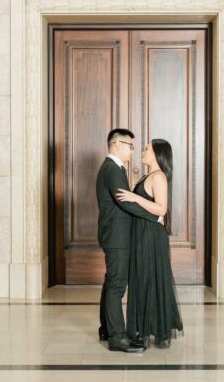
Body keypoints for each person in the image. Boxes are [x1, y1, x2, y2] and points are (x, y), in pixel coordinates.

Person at [115, 139, 184, 348]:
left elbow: (161, 209)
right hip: (142, 233)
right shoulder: (148, 176)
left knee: (151, 278)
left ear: (156, 154)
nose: (143, 151)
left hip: (151, 235)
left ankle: (158, 330)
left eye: (147, 148)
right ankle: (142, 328)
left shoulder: (159, 177)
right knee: (141, 278)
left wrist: (135, 198)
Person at [95, 128, 158, 353]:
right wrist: (155, 216)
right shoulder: (112, 169)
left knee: (112, 281)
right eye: (129, 145)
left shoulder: (113, 168)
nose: (132, 150)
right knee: (117, 284)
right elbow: (126, 202)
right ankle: (117, 337)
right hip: (117, 236)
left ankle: (106, 328)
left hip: (114, 234)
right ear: (117, 145)